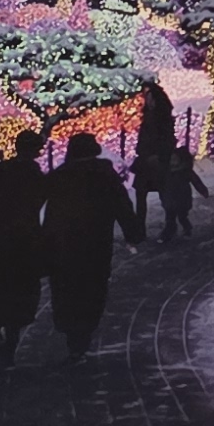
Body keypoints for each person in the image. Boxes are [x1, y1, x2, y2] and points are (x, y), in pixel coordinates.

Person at [42, 132, 144, 359]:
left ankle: (71, 333)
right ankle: (84, 333)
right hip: (96, 240)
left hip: (63, 244)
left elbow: (47, 209)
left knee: (66, 288)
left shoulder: (60, 176)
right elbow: (122, 205)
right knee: (93, 287)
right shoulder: (104, 174)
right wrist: (133, 232)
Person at [0, 128, 52, 368]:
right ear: (37, 151)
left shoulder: (0, 171)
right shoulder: (37, 178)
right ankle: (10, 344)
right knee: (19, 295)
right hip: (24, 244)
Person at [134, 79, 199, 243]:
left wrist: (158, 155)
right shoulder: (148, 117)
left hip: (159, 161)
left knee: (167, 195)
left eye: (150, 98)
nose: (147, 101)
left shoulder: (163, 118)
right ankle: (140, 229)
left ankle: (170, 225)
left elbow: (167, 140)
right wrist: (143, 153)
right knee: (142, 195)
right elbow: (143, 140)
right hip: (146, 162)